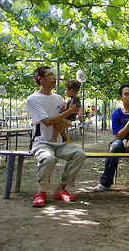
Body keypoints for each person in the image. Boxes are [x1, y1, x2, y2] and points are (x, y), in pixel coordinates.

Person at [26, 66, 87, 207]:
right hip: (41, 142)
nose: (55, 77)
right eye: (50, 74)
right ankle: (41, 192)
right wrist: (67, 114)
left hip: (58, 143)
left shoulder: (59, 98)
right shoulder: (32, 99)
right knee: (48, 159)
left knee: (80, 154)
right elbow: (47, 122)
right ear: (40, 79)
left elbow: (62, 123)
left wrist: (66, 133)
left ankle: (61, 189)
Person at [93, 83, 129, 192]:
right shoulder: (116, 114)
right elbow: (119, 135)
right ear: (121, 97)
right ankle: (105, 182)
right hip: (122, 140)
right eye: (126, 94)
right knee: (113, 149)